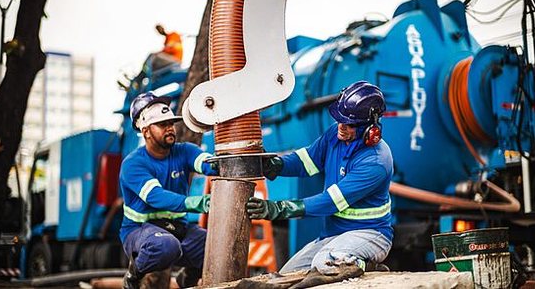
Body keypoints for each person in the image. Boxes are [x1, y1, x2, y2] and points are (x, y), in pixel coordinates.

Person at [247, 81, 393, 273]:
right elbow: (307, 160)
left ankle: (366, 265)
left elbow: (331, 201)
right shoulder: (336, 135)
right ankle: (350, 260)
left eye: (349, 124)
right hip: (333, 235)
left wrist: (280, 209)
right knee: (285, 274)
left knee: (325, 262)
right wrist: (275, 165)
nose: (341, 126)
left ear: (370, 129)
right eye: (339, 119)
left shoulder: (376, 162)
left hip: (370, 234)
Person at [120, 91, 216, 289]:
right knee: (166, 246)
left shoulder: (184, 151)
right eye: (162, 124)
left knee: (214, 244)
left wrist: (223, 162)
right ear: (146, 131)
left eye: (171, 123)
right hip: (141, 231)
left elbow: (208, 164)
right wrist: (196, 203)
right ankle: (133, 275)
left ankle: (187, 280)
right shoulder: (133, 164)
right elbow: (155, 197)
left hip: (176, 228)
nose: (170, 128)